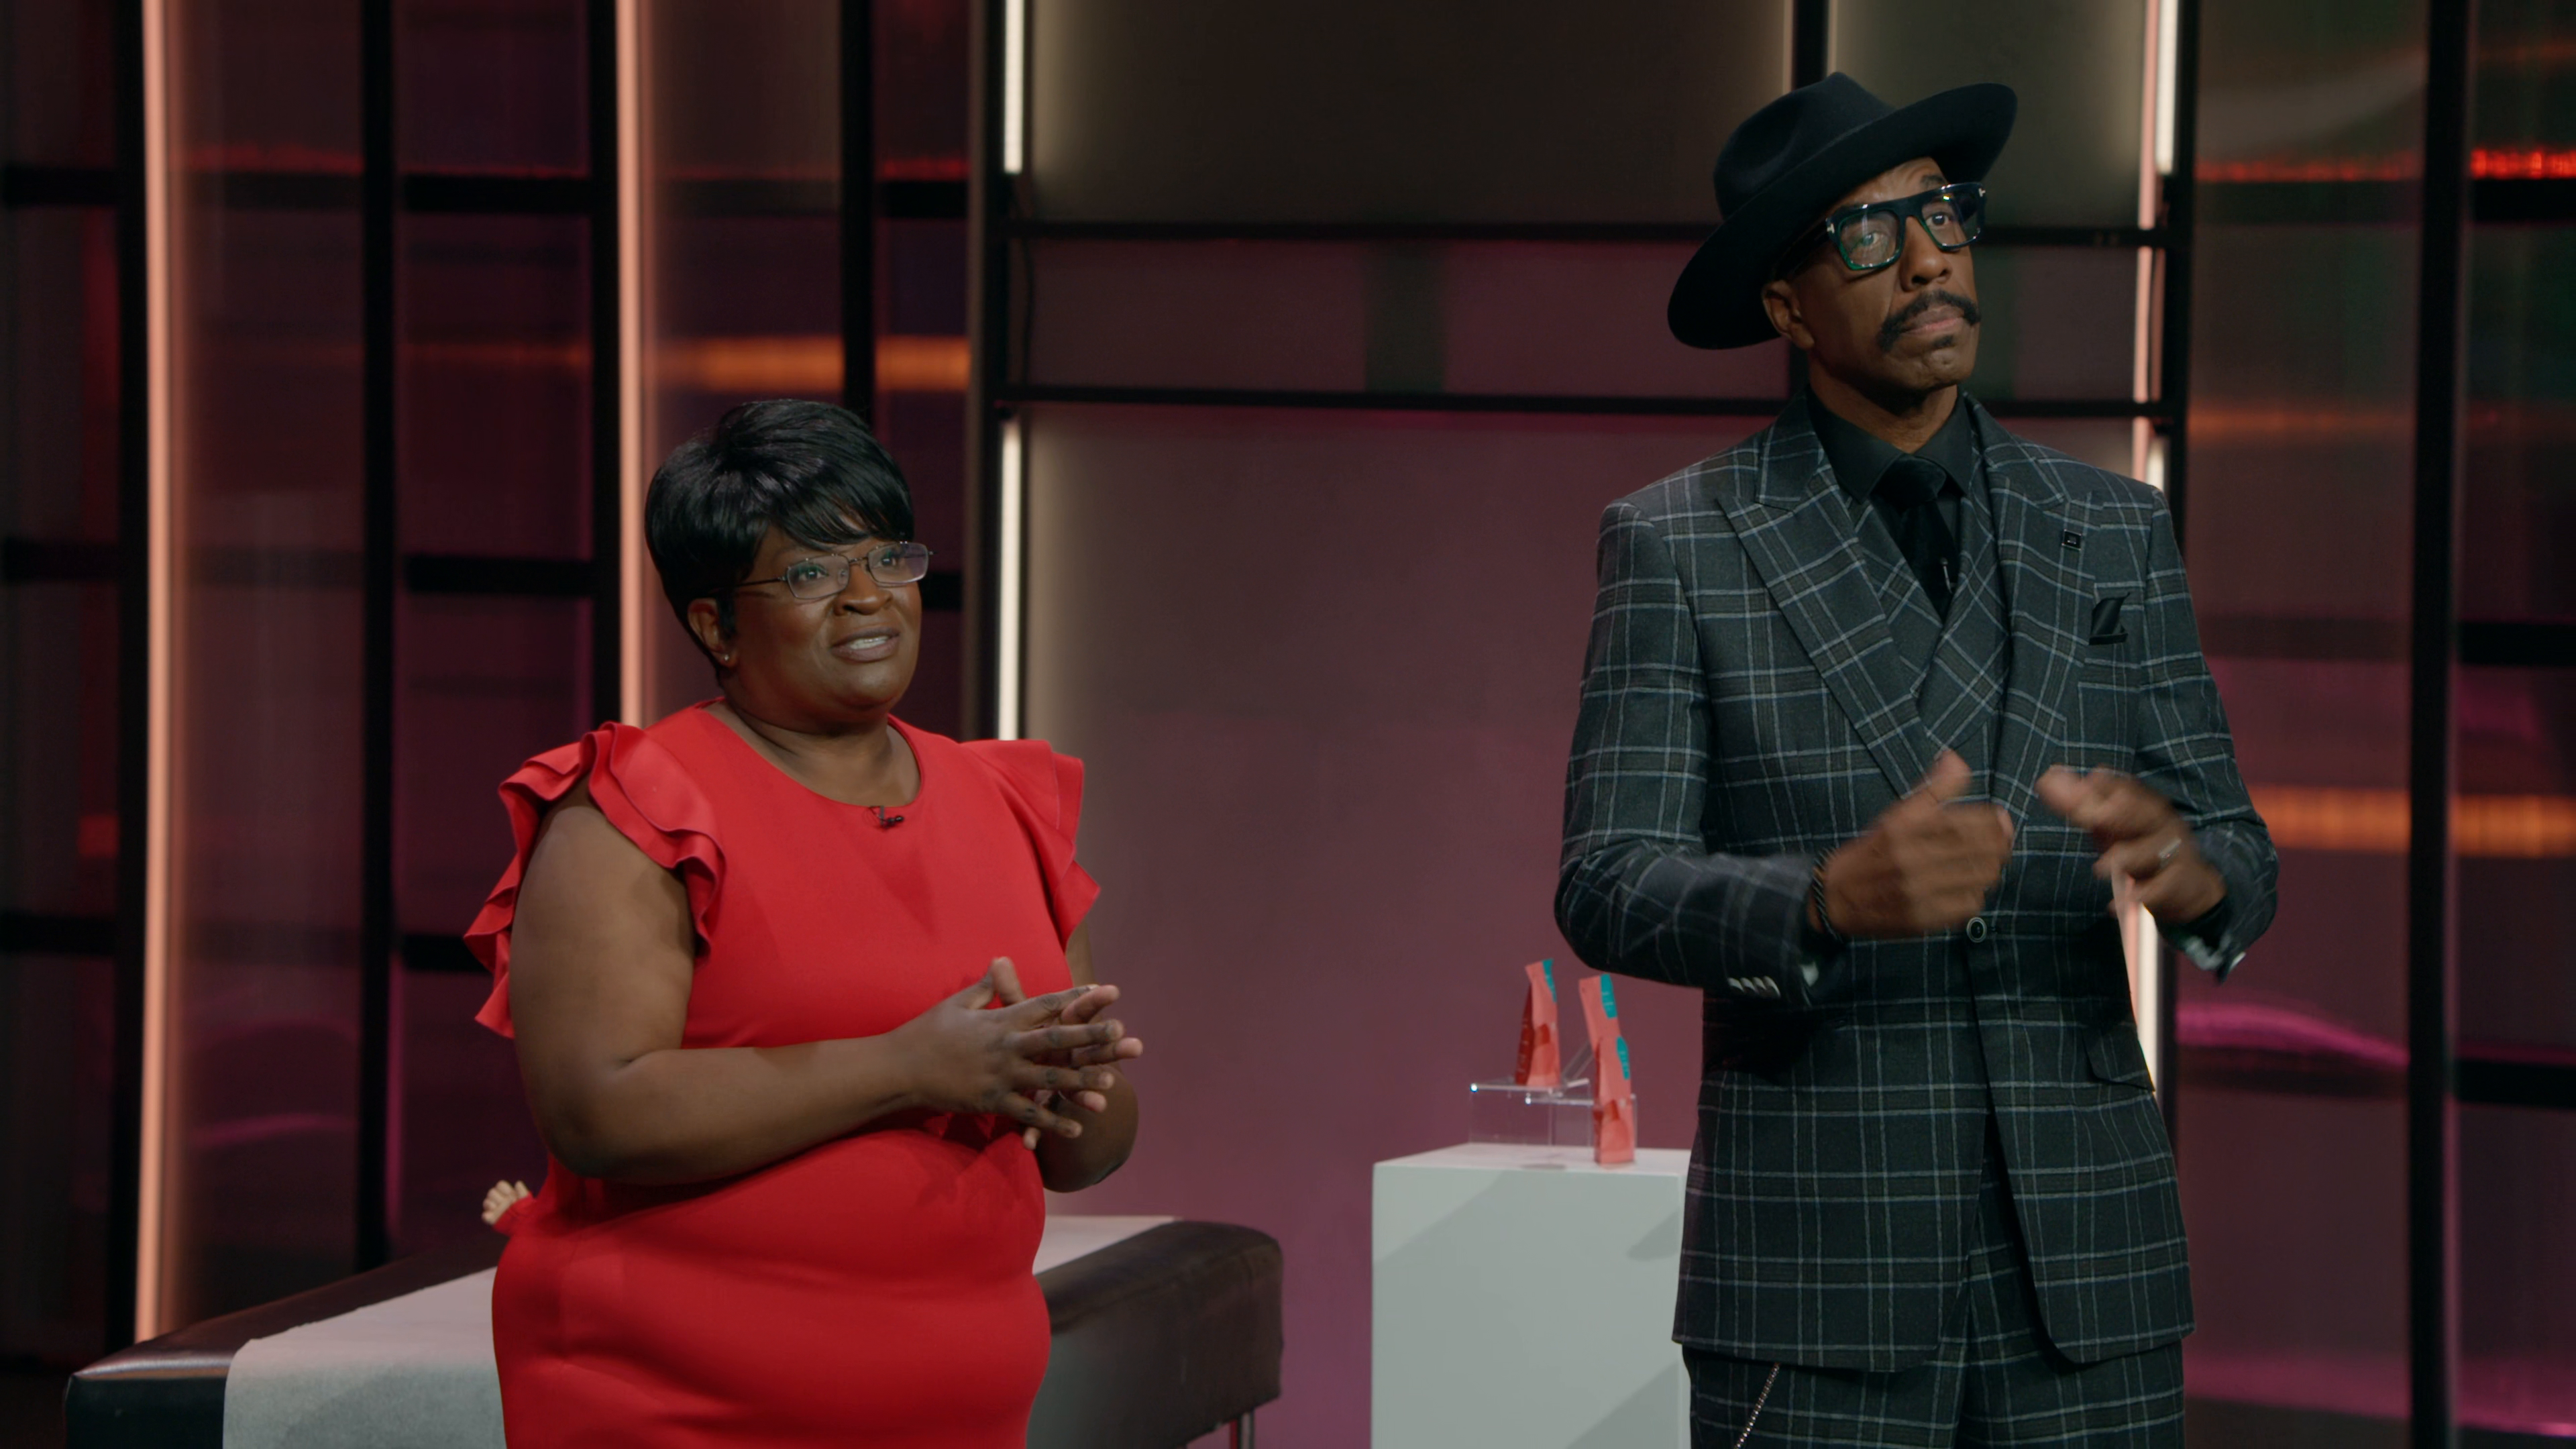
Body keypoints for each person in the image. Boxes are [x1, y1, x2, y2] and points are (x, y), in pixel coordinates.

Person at [1556, 74, 2276, 1446]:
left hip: (2089, 1271)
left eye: (1944, 214)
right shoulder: (1682, 542)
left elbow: (2238, 849)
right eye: (1869, 236)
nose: (1931, 258)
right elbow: (1606, 879)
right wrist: (1823, 902)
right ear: (1787, 307)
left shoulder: (2113, 530)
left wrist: (2190, 875)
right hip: (1819, 1276)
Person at [464, 398, 1142, 1447]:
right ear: (715, 626)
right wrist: (909, 1067)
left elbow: (1087, 1151)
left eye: (888, 558)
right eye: (812, 574)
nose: (868, 598)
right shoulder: (636, 807)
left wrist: (1072, 1084)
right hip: (673, 1412)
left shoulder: (1007, 801)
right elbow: (597, 1108)